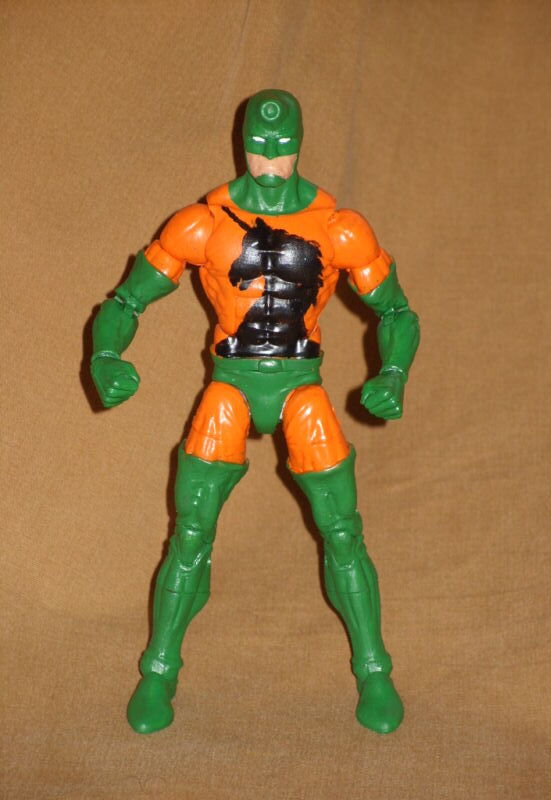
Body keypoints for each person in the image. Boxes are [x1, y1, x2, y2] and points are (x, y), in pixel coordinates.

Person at [91, 89, 420, 735]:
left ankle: (374, 670)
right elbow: (126, 300)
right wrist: (106, 353)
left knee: (343, 530)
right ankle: (158, 669)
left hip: (300, 385)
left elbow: (397, 312)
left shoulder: (338, 228)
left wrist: (394, 372)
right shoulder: (202, 224)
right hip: (232, 383)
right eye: (259, 147)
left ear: (300, 142)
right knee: (191, 530)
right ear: (242, 143)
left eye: (282, 146)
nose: (270, 160)